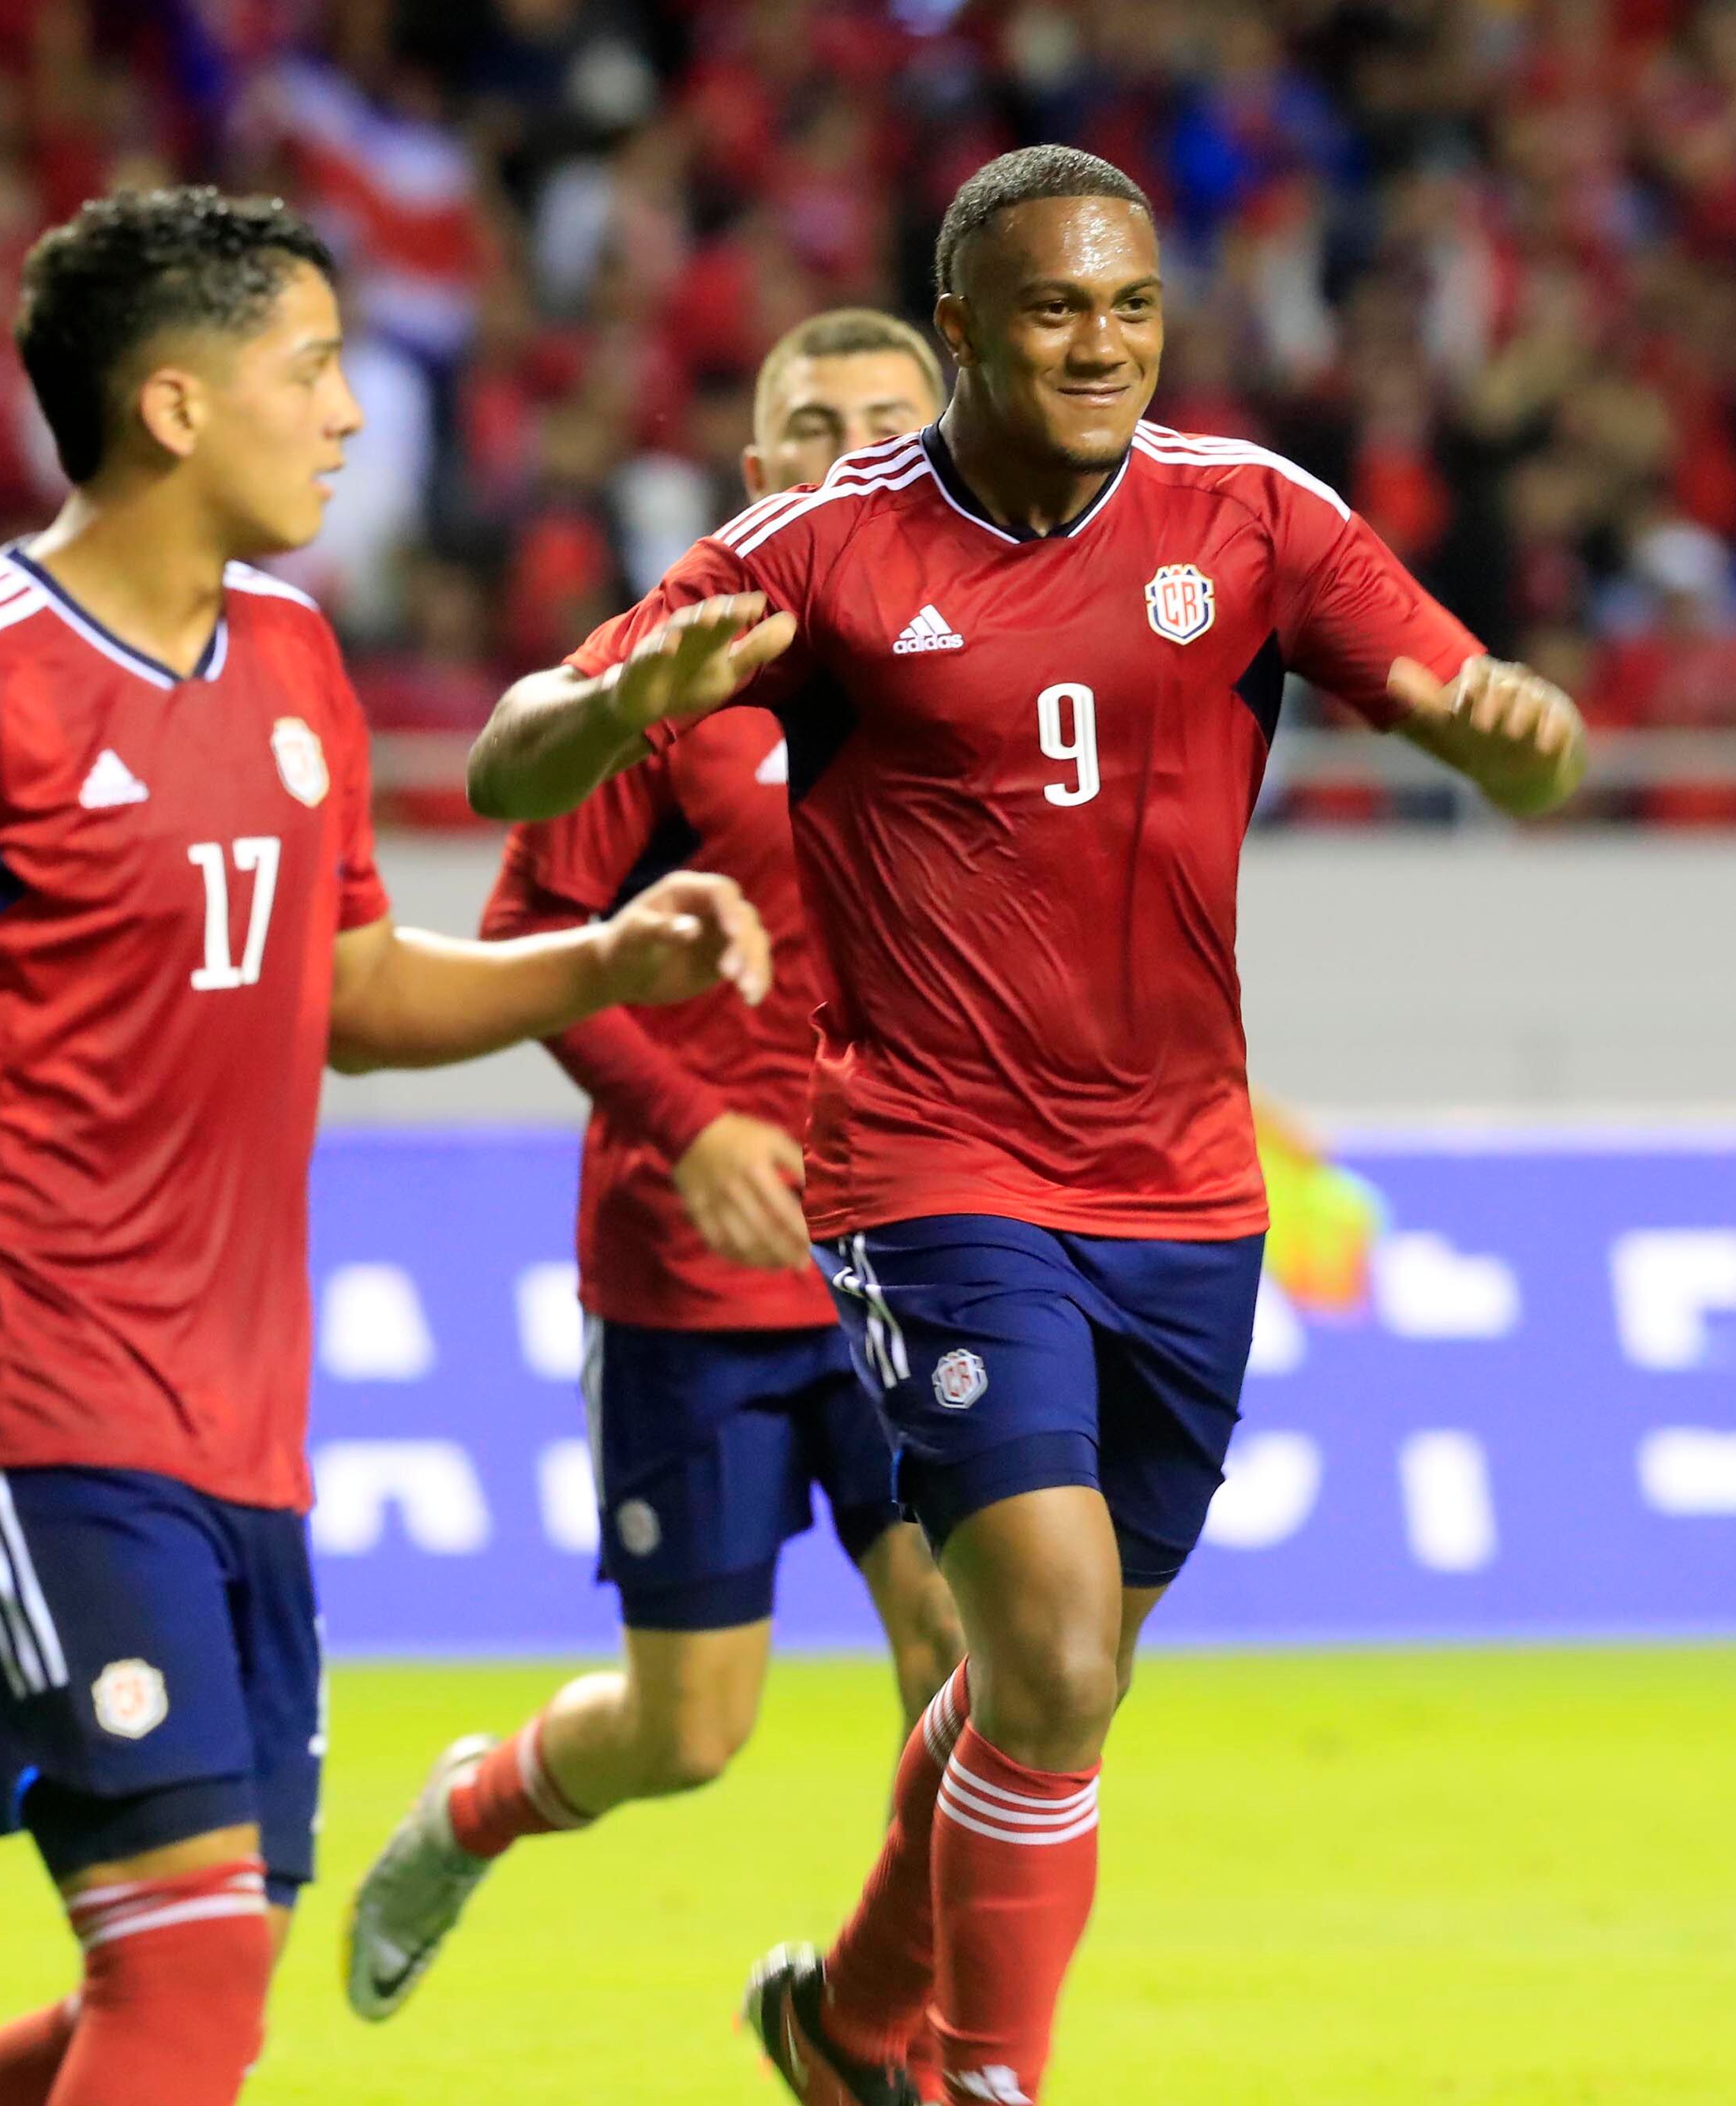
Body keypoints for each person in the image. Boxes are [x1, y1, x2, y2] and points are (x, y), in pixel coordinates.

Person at [467, 146, 1584, 2105]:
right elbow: (509, 765)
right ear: (962, 328)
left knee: (1045, 1685)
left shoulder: (1249, 515)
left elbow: (1466, 708)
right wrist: (622, 699)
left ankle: (843, 2018)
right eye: (1055, 308)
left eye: (1131, 306)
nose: (1101, 344)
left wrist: (1512, 740)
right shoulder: (820, 547)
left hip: (1187, 1186)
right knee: (1053, 1660)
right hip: (932, 1168)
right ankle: (985, 2078)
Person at [0, 186, 773, 2106]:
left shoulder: (291, 654)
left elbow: (352, 988)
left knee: (182, 1978)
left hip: (242, 1428)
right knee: (187, 1967)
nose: (350, 415)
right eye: (314, 367)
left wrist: (600, 958)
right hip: (26, 1406)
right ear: (176, 406)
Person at [341, 309, 968, 2026]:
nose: (853, 447)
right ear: (757, 469)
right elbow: (525, 933)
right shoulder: (676, 669)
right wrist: (690, 1127)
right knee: (689, 1727)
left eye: (890, 418)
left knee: (972, 1661)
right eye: (813, 423)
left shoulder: (992, 662)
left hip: (916, 1251)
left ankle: (893, 2026)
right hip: (692, 1273)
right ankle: (479, 1805)